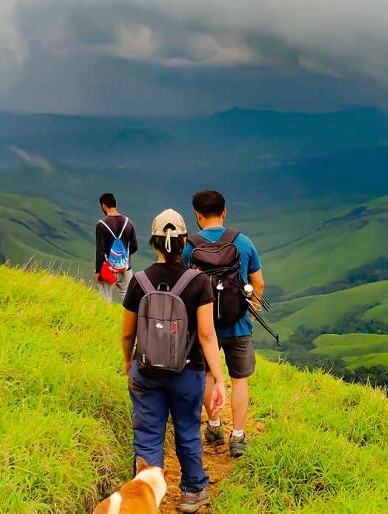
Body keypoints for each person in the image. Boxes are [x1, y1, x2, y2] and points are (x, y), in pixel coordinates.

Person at [121, 208, 226, 513]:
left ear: (153, 242)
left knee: (148, 434)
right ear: (184, 242)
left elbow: (128, 334)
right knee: (187, 430)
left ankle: (145, 499)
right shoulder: (198, 282)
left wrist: (129, 362)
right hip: (188, 371)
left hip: (146, 369)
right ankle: (193, 493)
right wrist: (219, 379)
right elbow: (207, 336)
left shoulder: (139, 281)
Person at [183, 190, 264, 458]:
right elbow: (259, 283)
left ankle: (215, 426)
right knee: (239, 380)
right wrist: (249, 313)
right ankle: (238, 437)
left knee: (207, 375)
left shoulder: (189, 246)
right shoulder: (243, 242)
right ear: (224, 212)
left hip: (204, 329)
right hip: (239, 325)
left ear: (197, 215)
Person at [95, 193, 138, 302]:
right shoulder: (128, 222)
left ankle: (106, 319)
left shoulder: (101, 224)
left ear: (103, 206)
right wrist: (122, 257)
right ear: (115, 204)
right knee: (127, 300)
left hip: (107, 268)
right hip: (126, 267)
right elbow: (134, 246)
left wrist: (98, 271)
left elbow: (100, 250)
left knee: (105, 298)